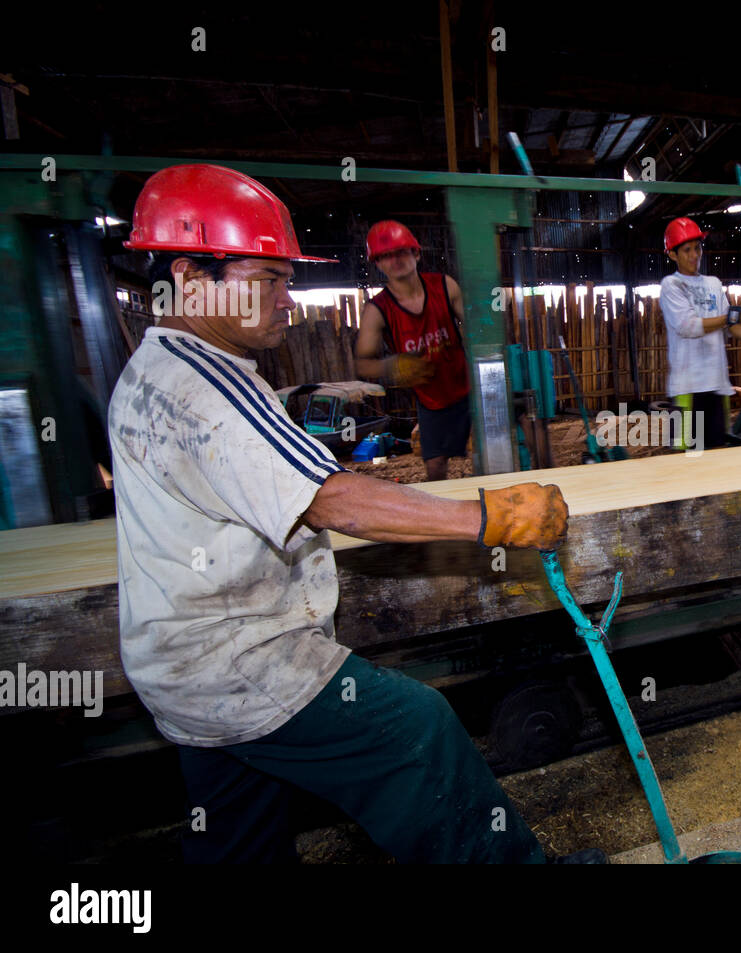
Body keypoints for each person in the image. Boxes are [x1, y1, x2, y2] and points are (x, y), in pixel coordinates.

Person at [110, 164, 593, 863]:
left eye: (287, 279)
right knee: (415, 729)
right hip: (240, 662)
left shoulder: (160, 367)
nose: (288, 300)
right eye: (269, 278)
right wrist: (490, 517)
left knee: (240, 839)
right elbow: (331, 497)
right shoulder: (207, 388)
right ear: (191, 276)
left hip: (182, 666)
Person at [355, 221, 469, 481]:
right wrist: (392, 366)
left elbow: (476, 329)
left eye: (401, 252)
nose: (394, 260)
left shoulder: (445, 286)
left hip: (469, 387)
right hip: (433, 401)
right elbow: (362, 364)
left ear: (416, 254)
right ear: (377, 264)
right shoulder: (377, 310)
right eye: (385, 256)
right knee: (436, 468)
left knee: (508, 440)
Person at [659, 217, 741, 451]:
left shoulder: (713, 283)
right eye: (687, 250)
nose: (694, 255)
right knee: (684, 460)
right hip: (687, 388)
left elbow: (731, 326)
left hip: (716, 384)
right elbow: (688, 326)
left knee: (716, 457)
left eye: (697, 248)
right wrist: (732, 317)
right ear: (672, 255)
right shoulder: (671, 285)